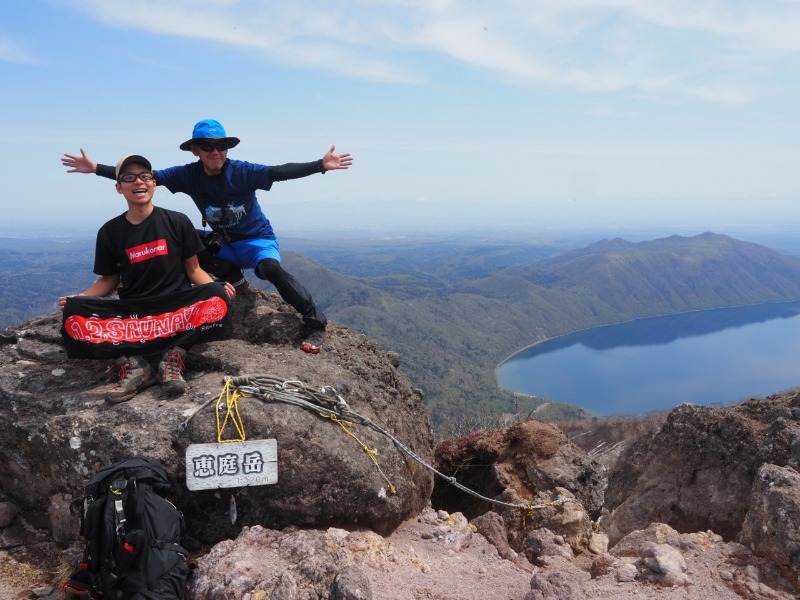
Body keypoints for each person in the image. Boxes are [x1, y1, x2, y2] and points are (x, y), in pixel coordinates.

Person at [62, 119, 353, 354]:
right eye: (207, 146)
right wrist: (97, 169)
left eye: (221, 146)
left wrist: (319, 165)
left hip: (255, 241)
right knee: (182, 240)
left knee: (270, 269)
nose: (216, 152)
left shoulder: (242, 172)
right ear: (195, 150)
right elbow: (143, 178)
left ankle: (315, 322)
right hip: (222, 243)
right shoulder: (188, 175)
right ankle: (236, 280)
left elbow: (278, 172)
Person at [58, 154, 237, 403]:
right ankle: (135, 366)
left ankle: (173, 357)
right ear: (119, 188)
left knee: (217, 295)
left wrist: (216, 293)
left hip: (177, 309)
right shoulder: (110, 232)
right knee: (75, 314)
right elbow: (109, 279)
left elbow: (193, 270)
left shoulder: (177, 221)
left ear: (154, 184)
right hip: (135, 314)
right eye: (129, 178)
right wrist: (80, 299)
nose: (138, 182)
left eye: (145, 176)